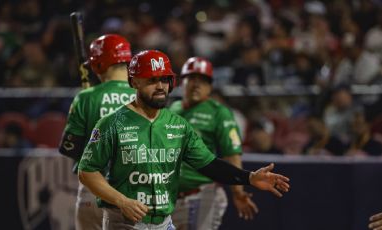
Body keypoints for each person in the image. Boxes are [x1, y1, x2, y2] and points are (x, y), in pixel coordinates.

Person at [78, 50, 290, 230]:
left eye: (165, 79)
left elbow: (209, 164)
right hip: (124, 222)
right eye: (152, 80)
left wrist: (249, 178)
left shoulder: (177, 124)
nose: (160, 86)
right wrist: (121, 201)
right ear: (134, 81)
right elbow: (87, 171)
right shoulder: (111, 123)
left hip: (164, 222)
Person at [169, 57, 258, 230]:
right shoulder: (173, 109)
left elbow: (231, 153)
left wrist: (238, 191)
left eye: (202, 80)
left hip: (203, 194)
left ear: (209, 86)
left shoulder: (219, 113)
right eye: (191, 78)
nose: (196, 84)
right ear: (181, 82)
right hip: (172, 197)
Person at [58, 34, 136, 230]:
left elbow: (68, 147)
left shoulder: (86, 98)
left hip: (93, 191)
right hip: (133, 193)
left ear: (98, 64)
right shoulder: (142, 96)